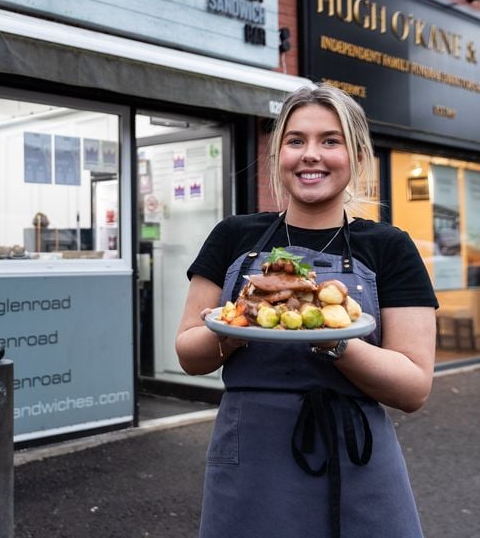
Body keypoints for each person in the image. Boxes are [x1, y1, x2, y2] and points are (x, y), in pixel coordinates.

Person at [175, 84, 437, 538]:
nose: (310, 154)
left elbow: (413, 388)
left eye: (330, 141)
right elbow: (188, 354)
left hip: (354, 452)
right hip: (251, 456)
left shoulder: (390, 247)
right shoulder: (233, 235)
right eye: (295, 140)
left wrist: (337, 343)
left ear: (357, 155)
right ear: (279, 154)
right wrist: (235, 328)